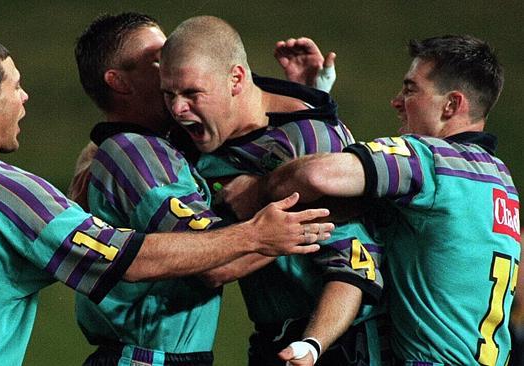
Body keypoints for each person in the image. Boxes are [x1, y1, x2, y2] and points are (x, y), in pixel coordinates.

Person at [0, 37, 334, 365]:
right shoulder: (9, 193)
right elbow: (128, 259)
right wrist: (257, 233)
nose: (26, 96)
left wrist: (309, 99)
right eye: (15, 86)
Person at [70, 13, 336, 366]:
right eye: (157, 59)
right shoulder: (139, 154)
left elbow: (231, 102)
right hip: (146, 358)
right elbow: (210, 261)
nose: (174, 60)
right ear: (118, 82)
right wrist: (299, 222)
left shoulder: (153, 146)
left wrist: (305, 102)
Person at [239, 35, 519, 366]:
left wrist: (253, 191)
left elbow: (318, 175)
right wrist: (313, 102)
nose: (397, 101)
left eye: (411, 89)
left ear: (451, 105)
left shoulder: (431, 159)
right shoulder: (499, 180)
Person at [159, 16, 385, 366]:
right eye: (168, 94)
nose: (177, 108)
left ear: (235, 78)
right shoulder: (192, 139)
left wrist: (312, 346)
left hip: (337, 342)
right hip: (270, 339)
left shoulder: (311, 143)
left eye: (191, 93)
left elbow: (356, 266)